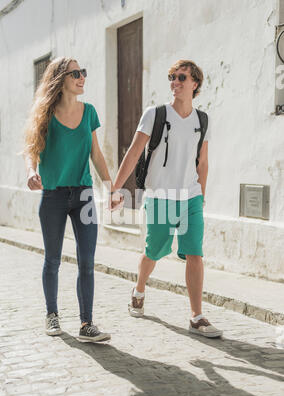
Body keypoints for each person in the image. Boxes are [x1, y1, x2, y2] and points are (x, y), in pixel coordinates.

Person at [111, 59, 223, 338]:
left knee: (194, 253)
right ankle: (139, 289)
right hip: (161, 196)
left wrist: (202, 196)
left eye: (181, 77)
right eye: (172, 77)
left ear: (195, 83)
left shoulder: (203, 120)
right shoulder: (155, 114)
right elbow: (134, 152)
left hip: (191, 197)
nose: (175, 82)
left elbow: (203, 163)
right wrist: (116, 188)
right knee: (155, 250)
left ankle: (196, 317)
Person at [22, 57, 122, 342]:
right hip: (52, 195)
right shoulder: (44, 113)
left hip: (84, 195)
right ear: (60, 79)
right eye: (76, 73)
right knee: (52, 260)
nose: (82, 78)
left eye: (83, 73)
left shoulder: (88, 112)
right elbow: (32, 149)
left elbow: (96, 154)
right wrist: (31, 172)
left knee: (86, 261)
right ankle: (52, 315)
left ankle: (86, 323)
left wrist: (111, 188)